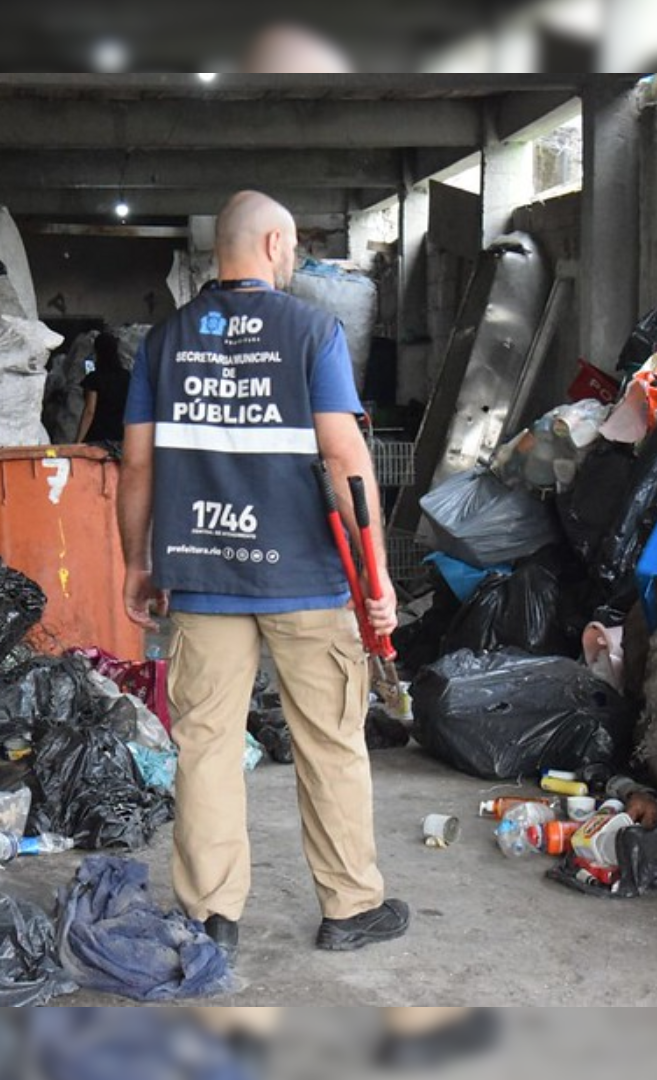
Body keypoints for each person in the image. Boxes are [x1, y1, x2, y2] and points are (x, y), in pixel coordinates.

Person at [117, 190, 408, 961]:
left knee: (206, 746)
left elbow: (138, 465)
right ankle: (348, 909)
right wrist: (377, 581)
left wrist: (135, 562)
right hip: (309, 579)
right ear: (276, 244)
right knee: (331, 742)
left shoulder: (165, 340)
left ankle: (212, 917)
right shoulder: (314, 331)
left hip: (204, 576)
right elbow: (347, 463)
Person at [76, 331, 131, 445]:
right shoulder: (127, 377)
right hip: (122, 437)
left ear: (97, 352)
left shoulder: (94, 378)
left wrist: (78, 441)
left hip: (98, 438)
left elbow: (90, 411)